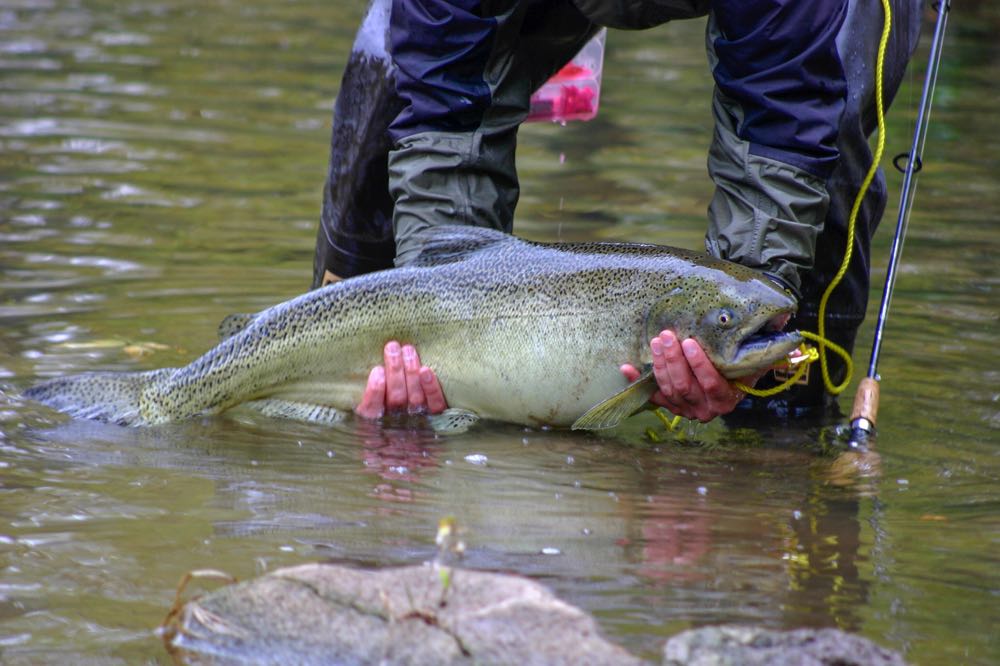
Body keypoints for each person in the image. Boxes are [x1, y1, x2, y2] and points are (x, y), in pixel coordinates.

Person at [312, 0, 924, 424]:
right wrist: (430, 310)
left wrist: (739, 330)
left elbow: (784, 120)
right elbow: (441, 102)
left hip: (793, 31)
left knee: (830, 130)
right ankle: (344, 387)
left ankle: (780, 440)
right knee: (386, 89)